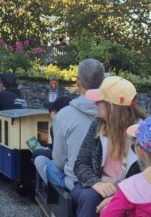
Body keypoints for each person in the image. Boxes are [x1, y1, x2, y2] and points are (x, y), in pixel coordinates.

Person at [71, 76, 145, 217]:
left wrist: (119, 195)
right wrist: (96, 183)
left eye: (98, 101)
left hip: (128, 191)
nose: (95, 104)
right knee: (89, 196)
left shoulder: (142, 132)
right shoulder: (97, 125)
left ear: (111, 106)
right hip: (97, 188)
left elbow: (145, 177)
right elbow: (81, 163)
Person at [34, 59, 105, 189]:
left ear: (78, 81)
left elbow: (59, 162)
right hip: (105, 181)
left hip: (76, 182)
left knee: (43, 162)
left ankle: (55, 198)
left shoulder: (64, 115)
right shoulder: (113, 112)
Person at [31, 96, 73, 162]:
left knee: (37, 153)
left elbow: (59, 151)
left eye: (51, 110)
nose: (50, 113)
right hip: (68, 156)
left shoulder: (58, 125)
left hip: (64, 159)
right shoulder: (71, 122)